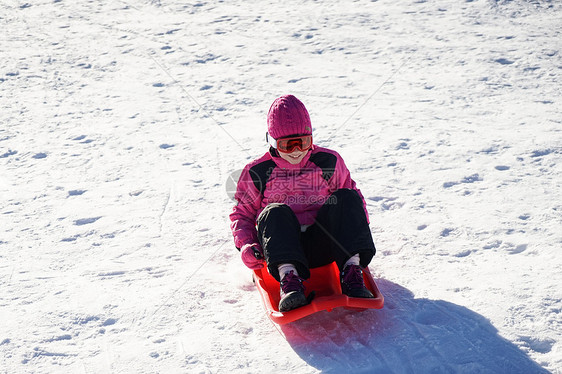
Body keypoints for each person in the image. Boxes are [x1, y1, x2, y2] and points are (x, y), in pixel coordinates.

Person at [229, 95, 376, 312]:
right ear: (273, 142)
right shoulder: (257, 172)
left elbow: (353, 204)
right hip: (280, 251)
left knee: (347, 196)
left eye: (303, 143)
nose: (297, 151)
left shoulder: (329, 161)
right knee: (274, 212)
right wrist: (248, 245)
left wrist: (354, 230)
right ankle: (290, 282)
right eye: (288, 145)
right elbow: (242, 214)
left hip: (326, 246)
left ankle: (351, 272)